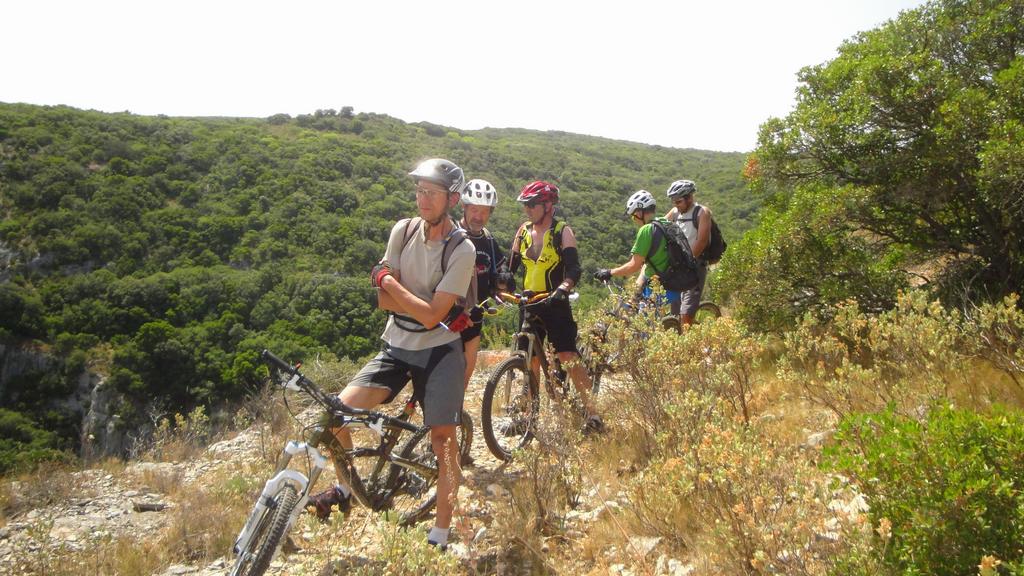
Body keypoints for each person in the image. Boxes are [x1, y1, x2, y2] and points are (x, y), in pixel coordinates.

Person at [308, 158, 475, 551]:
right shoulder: (402, 231)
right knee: (334, 415)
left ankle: (440, 533)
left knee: (443, 441)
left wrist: (387, 279)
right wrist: (413, 301)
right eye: (419, 190)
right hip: (398, 344)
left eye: (431, 192)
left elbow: (434, 316)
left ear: (451, 198)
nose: (423, 199)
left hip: (440, 354)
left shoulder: (461, 248)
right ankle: (345, 491)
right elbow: (386, 303)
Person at [508, 180, 603, 433]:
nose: (527, 209)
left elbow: (574, 268)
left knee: (567, 355)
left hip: (555, 301)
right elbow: (511, 267)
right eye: (525, 205)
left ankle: (593, 414)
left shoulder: (563, 231)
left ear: (548, 205)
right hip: (530, 301)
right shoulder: (523, 231)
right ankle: (528, 418)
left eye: (532, 204)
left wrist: (564, 287)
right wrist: (502, 283)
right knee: (529, 359)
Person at [593, 190, 682, 321]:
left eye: (634, 216)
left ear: (640, 212)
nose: (634, 219)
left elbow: (633, 266)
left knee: (646, 331)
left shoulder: (646, 230)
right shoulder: (664, 222)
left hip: (658, 289)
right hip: (674, 284)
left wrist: (609, 272)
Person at [458, 178, 512, 390]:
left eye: (484, 211)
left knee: (465, 376)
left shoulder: (488, 240)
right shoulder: (451, 235)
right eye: (474, 210)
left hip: (475, 318)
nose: (479, 217)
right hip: (447, 318)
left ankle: (455, 417)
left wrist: (504, 279)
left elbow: (501, 268)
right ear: (464, 207)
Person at [664, 179, 711, 327]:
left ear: (689, 198)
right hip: (678, 268)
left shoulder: (702, 213)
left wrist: (688, 262)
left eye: (679, 202)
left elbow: (702, 241)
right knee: (675, 312)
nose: (676, 205)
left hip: (695, 267)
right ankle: (677, 343)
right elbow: (661, 227)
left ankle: (690, 347)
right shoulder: (675, 212)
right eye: (674, 202)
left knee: (686, 314)